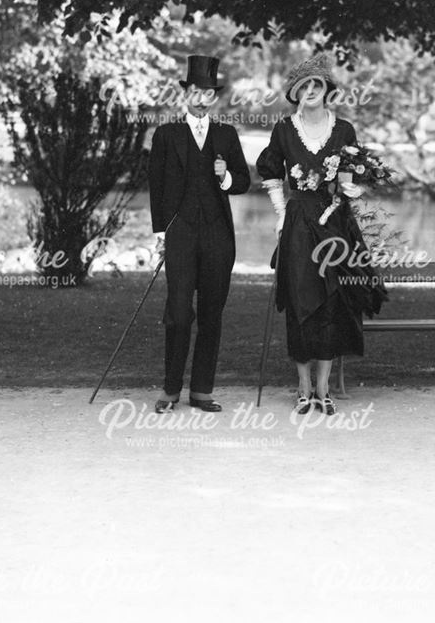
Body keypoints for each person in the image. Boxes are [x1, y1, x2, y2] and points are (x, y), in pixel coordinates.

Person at [256, 53, 386, 415]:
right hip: (298, 222)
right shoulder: (284, 129)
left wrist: (351, 190)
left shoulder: (343, 130)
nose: (311, 91)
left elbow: (349, 174)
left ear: (327, 90)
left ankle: (323, 389)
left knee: (332, 302)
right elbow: (270, 172)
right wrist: (281, 214)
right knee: (300, 301)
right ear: (296, 93)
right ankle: (302, 388)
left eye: (317, 85)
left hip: (335, 223)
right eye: (304, 87)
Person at [149, 55, 251, 413]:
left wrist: (224, 176)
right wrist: (160, 233)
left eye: (207, 93)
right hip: (180, 232)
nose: (201, 98)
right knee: (178, 311)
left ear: (214, 97)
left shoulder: (226, 134)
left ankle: (202, 390)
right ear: (186, 94)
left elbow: (243, 182)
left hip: (217, 235)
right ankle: (171, 388)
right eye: (195, 91)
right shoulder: (166, 134)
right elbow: (156, 185)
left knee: (212, 311)